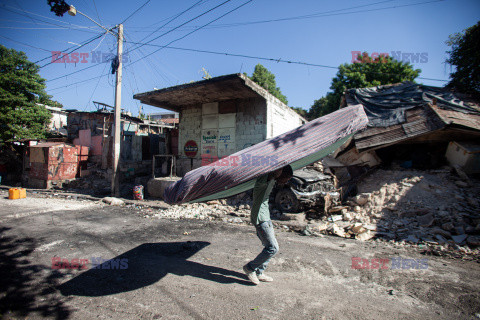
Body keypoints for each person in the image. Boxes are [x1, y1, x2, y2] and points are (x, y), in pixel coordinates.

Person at [243, 165, 293, 285]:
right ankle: (250, 268)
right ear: (278, 173)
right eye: (285, 178)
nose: (286, 182)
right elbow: (269, 174)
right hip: (260, 218)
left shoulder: (272, 180)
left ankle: (259, 272)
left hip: (265, 216)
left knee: (270, 247)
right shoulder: (263, 180)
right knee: (273, 248)